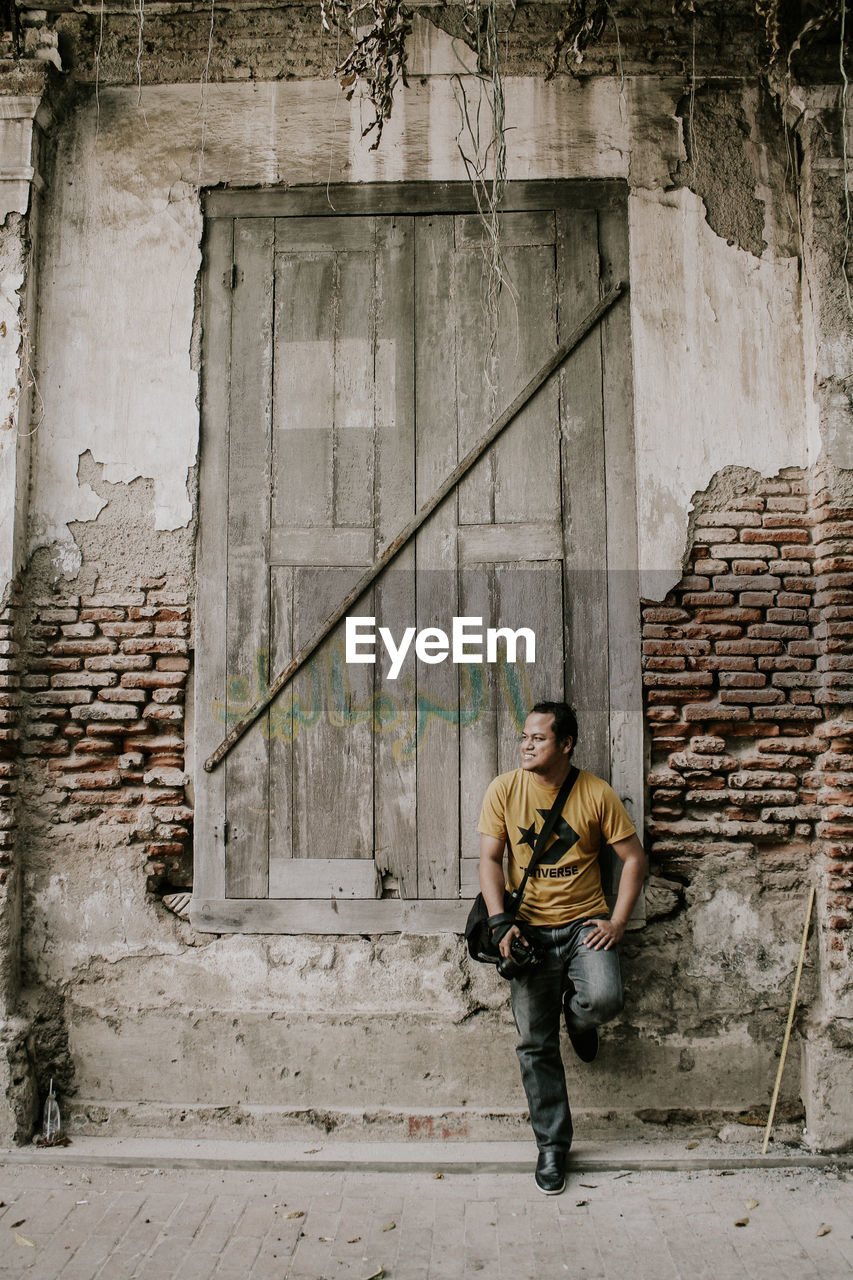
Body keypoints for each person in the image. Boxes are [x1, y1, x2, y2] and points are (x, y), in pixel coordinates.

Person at [478, 701, 648, 1195]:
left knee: (606, 999)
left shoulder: (595, 793)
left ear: (566, 743)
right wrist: (500, 922)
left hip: (582, 926)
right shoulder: (504, 789)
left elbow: (634, 859)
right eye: (524, 737)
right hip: (526, 929)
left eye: (538, 738)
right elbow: (490, 858)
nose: (526, 745)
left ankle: (579, 1014)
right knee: (535, 1043)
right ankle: (552, 1146)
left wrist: (618, 921)